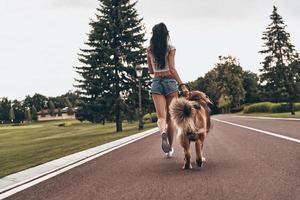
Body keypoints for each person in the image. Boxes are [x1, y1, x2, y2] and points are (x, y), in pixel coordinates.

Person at [147, 22, 189, 158]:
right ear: (166, 34)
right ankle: (169, 149)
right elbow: (172, 68)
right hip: (170, 82)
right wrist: (182, 84)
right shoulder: (171, 48)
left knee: (161, 117)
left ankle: (162, 132)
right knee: (171, 119)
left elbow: (151, 71)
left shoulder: (149, 50)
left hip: (156, 82)